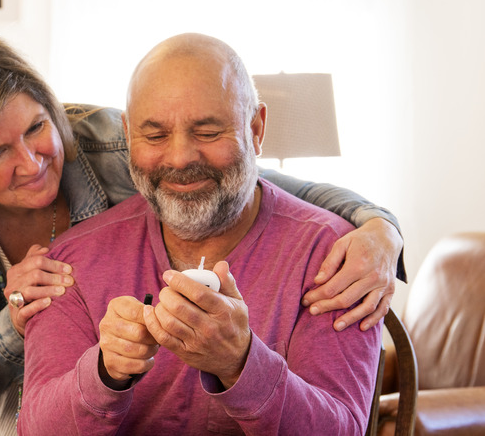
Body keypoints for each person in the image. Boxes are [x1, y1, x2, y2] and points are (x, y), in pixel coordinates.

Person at [0, 29, 401, 434]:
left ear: (256, 129)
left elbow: (256, 181)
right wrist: (89, 361)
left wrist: (381, 228)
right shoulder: (46, 252)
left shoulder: (332, 257)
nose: (30, 161)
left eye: (36, 128)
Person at [19, 33, 383, 435]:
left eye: (208, 132)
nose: (180, 158)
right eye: (155, 135)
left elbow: (342, 430)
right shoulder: (71, 261)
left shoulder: (335, 258)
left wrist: (241, 364)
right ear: (127, 134)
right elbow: (35, 429)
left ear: (256, 128)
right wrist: (104, 372)